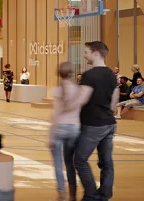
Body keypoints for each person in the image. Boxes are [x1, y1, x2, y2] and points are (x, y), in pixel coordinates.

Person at [74, 41, 118, 201]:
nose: (84, 55)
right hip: (109, 123)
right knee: (106, 161)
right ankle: (105, 195)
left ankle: (91, 195)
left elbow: (81, 100)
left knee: (79, 159)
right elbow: (114, 102)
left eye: (86, 52)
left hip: (93, 124)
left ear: (96, 53)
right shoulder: (112, 76)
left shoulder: (89, 75)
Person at [49, 62, 92, 201]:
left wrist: (51, 134)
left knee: (57, 163)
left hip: (60, 128)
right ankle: (72, 194)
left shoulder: (57, 90)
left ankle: (61, 193)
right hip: (74, 128)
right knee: (70, 163)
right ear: (72, 73)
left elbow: (55, 113)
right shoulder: (80, 89)